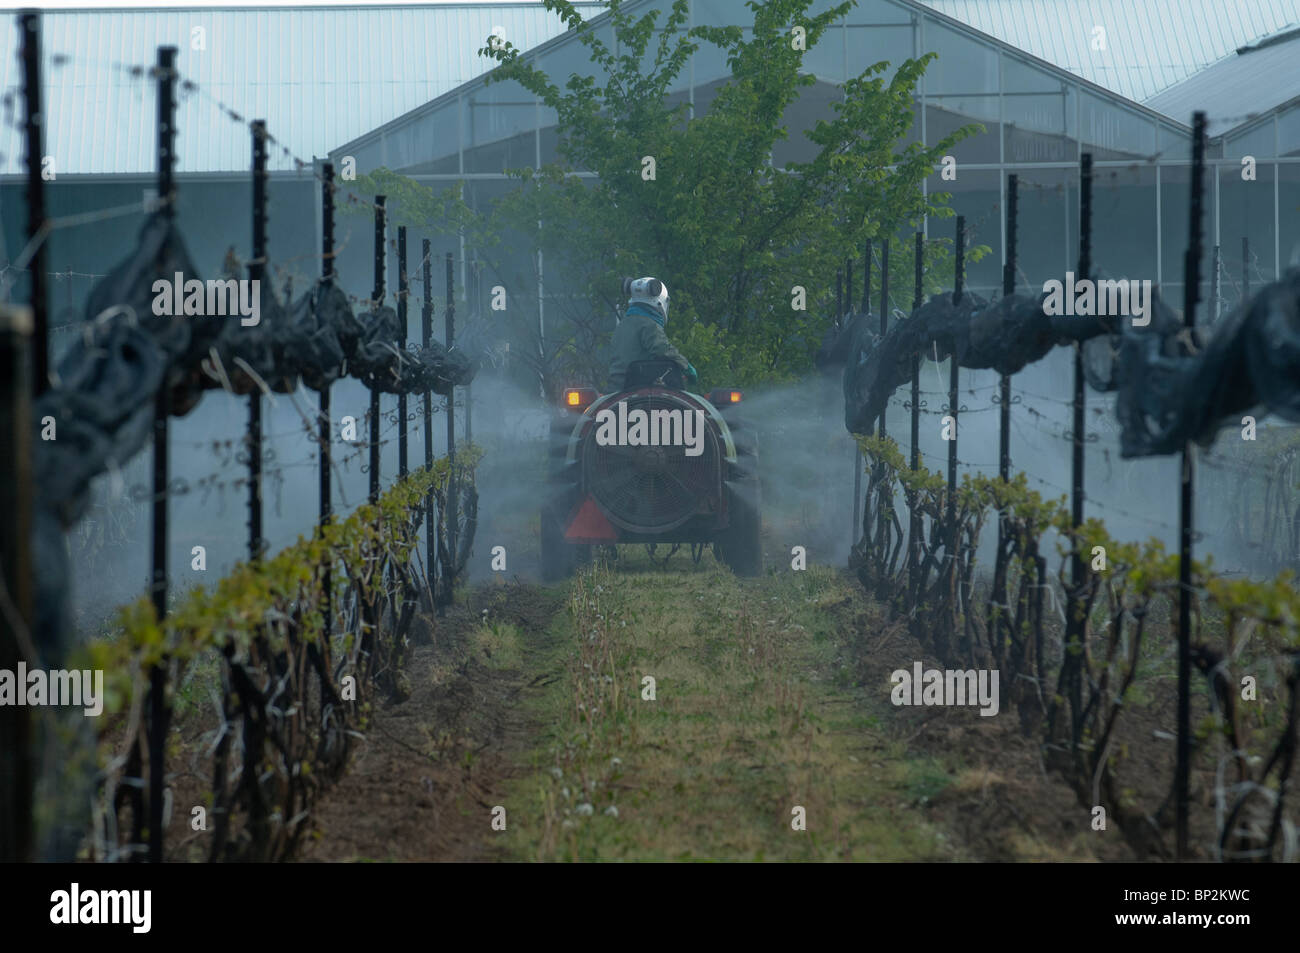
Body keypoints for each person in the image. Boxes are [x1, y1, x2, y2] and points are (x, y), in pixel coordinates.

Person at [608, 276, 698, 391]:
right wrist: (686, 366)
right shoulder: (648, 324)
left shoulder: (622, 325)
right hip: (637, 389)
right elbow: (661, 349)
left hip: (615, 389)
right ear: (661, 302)